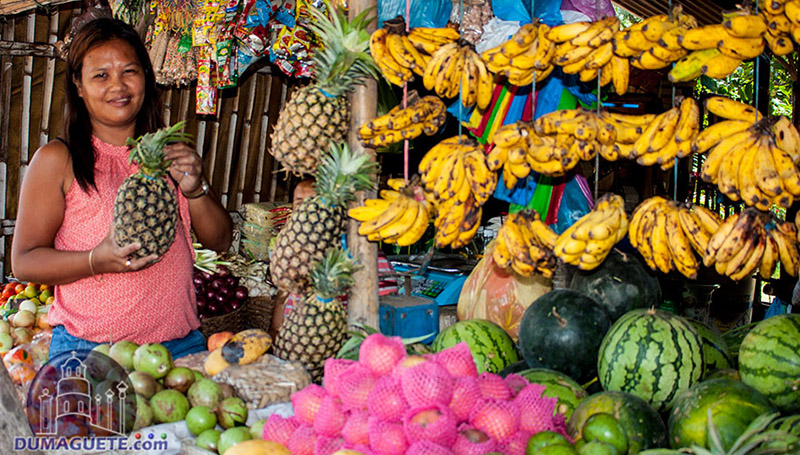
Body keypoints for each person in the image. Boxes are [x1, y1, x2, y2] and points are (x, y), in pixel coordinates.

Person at [10, 17, 233, 360]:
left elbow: (220, 242)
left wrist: (195, 189)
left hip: (180, 346)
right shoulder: (59, 158)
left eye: (129, 71)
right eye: (101, 75)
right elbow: (24, 261)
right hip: (91, 350)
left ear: (146, 76)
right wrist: (94, 261)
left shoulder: (167, 153)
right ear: (79, 85)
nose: (118, 85)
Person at [269, 179, 398, 337]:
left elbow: (384, 314)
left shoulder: (365, 254)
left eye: (315, 202)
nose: (306, 210)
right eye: (299, 202)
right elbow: (278, 318)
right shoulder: (293, 256)